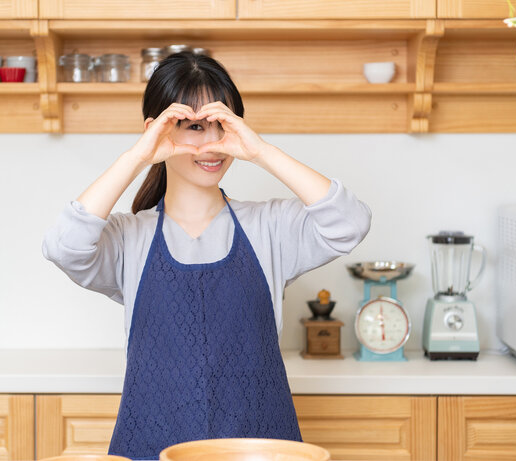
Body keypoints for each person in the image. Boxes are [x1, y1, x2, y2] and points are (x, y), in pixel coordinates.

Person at [42, 51, 371, 460]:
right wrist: (137, 156)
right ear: (157, 131)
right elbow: (63, 245)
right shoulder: (130, 238)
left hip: (257, 449)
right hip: (150, 448)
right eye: (194, 127)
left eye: (223, 125)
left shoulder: (270, 227)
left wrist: (261, 151)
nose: (212, 144)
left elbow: (350, 222)